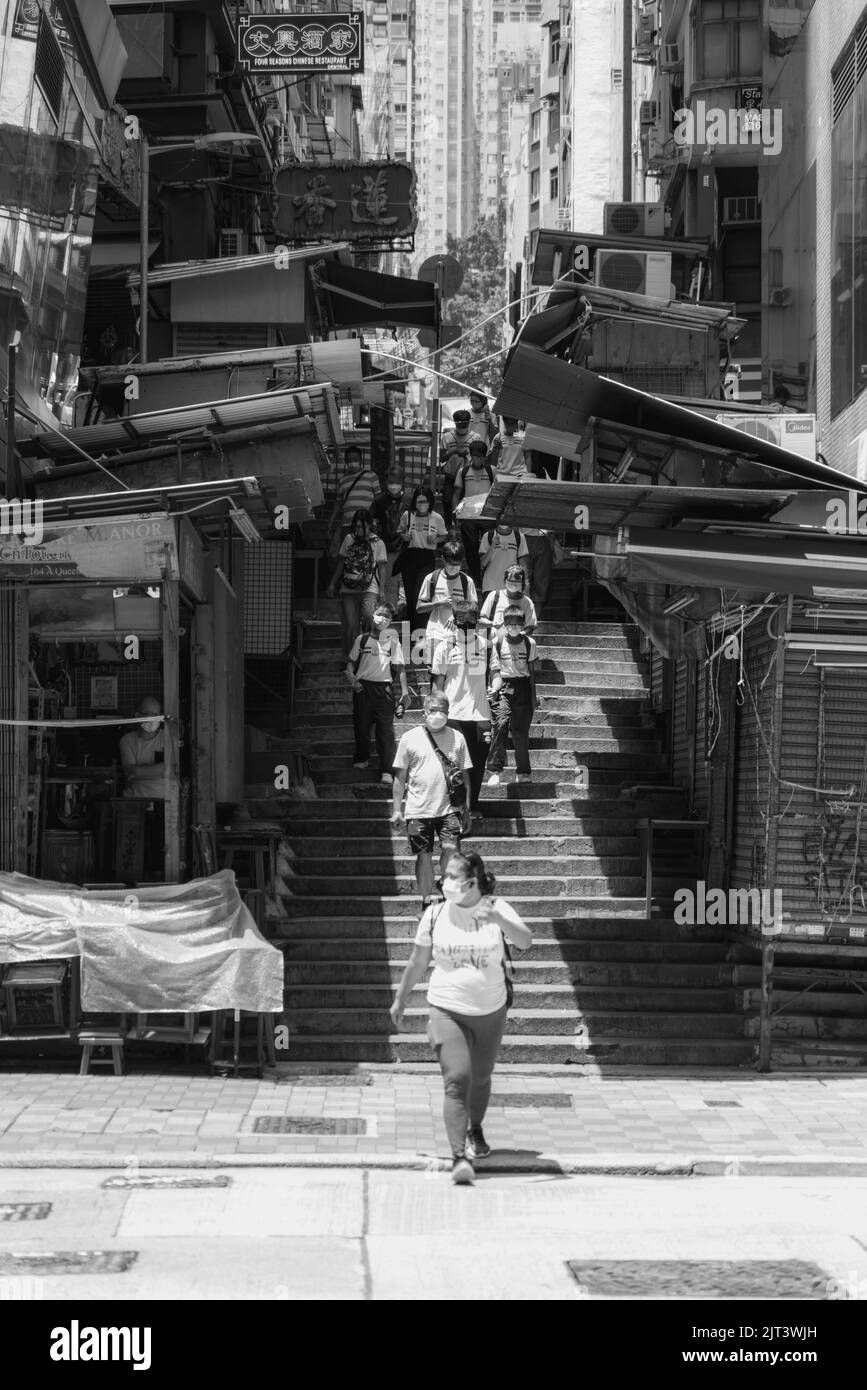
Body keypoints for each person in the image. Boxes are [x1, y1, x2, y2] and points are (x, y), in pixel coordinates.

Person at [389, 849, 532, 1184]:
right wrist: (400, 999)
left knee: (480, 1078)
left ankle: (476, 1129)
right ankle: (458, 1157)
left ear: (473, 880)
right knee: (458, 1079)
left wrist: (499, 921)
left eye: (452, 876)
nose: (445, 881)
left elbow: (525, 941)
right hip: (446, 1008)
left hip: (491, 1011)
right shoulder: (436, 915)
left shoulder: (498, 909)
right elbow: (417, 961)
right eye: (445, 875)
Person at [391, 692, 473, 909]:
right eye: (434, 710)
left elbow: (465, 777)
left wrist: (467, 809)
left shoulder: (458, 737)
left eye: (443, 711)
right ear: (423, 713)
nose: (439, 714)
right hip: (418, 809)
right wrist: (397, 810)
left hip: (450, 808)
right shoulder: (409, 738)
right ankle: (426, 900)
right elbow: (400, 778)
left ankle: (447, 891)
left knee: (451, 849)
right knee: (424, 856)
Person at [346, 600, 409, 786]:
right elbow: (350, 663)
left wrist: (405, 693)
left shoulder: (393, 642)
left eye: (387, 617)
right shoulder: (361, 639)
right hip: (363, 688)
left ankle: (387, 771)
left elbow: (401, 668)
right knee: (361, 726)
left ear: (391, 620)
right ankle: (362, 758)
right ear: (373, 614)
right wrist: (352, 679)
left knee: (385, 732)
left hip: (384, 690)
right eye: (380, 614)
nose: (382, 619)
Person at [431, 628, 491, 813]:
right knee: (453, 764)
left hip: (480, 714)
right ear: (455, 622)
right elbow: (438, 681)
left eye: (471, 621)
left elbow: (496, 674)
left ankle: (472, 805)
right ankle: (453, 806)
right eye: (462, 621)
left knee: (477, 764)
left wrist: (495, 688)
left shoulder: (486, 645)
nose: (466, 626)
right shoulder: (445, 646)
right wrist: (436, 709)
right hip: (453, 713)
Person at [486, 605, 538, 787]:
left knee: (520, 732)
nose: (513, 627)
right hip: (504, 687)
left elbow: (531, 672)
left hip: (523, 687)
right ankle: (495, 770)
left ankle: (523, 771)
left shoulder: (529, 643)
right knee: (500, 725)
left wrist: (533, 697)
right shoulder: (498, 641)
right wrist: (494, 687)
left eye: (517, 624)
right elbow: (494, 669)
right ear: (504, 624)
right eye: (509, 623)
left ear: (523, 624)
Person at [326, 508, 388, 660]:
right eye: (357, 527)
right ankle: (350, 660)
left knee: (369, 617)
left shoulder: (378, 542)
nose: (359, 530)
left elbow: (382, 568)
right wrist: (333, 584)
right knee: (350, 627)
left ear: (369, 525)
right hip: (348, 589)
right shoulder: (348, 539)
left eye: (363, 527)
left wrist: (381, 591)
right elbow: (341, 563)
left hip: (370, 588)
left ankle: (367, 656)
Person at [119, 695, 168, 877]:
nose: (153, 718)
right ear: (138, 716)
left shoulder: (168, 738)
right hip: (133, 804)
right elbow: (130, 772)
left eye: (156, 714)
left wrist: (142, 770)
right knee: (133, 852)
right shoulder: (127, 741)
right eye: (148, 714)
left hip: (164, 802)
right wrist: (159, 769)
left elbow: (171, 770)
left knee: (158, 853)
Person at [394, 484, 448, 638]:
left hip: (427, 557)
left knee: (420, 594)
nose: (422, 504)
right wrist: (404, 536)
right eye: (419, 502)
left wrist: (436, 538)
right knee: (410, 596)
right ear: (414, 502)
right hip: (410, 556)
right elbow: (399, 531)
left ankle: (423, 634)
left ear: (430, 501)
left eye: (425, 501)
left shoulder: (436, 518)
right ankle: (412, 635)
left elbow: (444, 536)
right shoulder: (408, 515)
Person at [416, 539, 479, 669]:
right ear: (443, 560)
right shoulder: (431, 578)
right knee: (434, 670)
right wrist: (439, 603)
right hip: (435, 632)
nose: (454, 568)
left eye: (457, 565)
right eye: (451, 565)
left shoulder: (467, 581)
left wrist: (458, 615)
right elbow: (419, 608)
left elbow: (474, 609)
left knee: (455, 671)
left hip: (458, 634)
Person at [452, 437, 495, 585]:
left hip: (488, 516)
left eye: (480, 457)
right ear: (470, 456)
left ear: (484, 457)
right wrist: (455, 514)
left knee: (489, 547)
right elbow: (457, 493)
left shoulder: (492, 471)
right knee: (471, 548)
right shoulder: (463, 472)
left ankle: (488, 575)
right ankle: (475, 578)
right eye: (475, 456)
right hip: (468, 516)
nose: (477, 460)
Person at [370, 468, 407, 612]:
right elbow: (371, 520)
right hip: (387, 547)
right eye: (391, 482)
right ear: (386, 483)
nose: (394, 485)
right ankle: (389, 615)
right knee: (389, 584)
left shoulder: (409, 500)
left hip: (407, 547)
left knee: (405, 584)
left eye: (397, 482)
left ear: (402, 483)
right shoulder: (379, 500)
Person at [328, 445, 381, 546]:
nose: (352, 463)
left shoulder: (371, 476)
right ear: (346, 462)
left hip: (367, 524)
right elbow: (338, 502)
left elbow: (378, 499)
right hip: (348, 525)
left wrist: (375, 518)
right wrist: (331, 522)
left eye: (355, 459)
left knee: (369, 552)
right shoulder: (342, 480)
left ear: (361, 460)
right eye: (349, 460)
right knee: (348, 554)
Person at [439, 410, 482, 526]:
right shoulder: (447, 437)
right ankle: (449, 526)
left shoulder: (476, 437)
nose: (461, 428)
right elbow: (441, 458)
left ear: (468, 424)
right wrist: (454, 451)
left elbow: (479, 458)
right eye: (459, 425)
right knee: (447, 501)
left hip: (467, 475)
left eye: (463, 425)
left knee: (465, 502)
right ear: (455, 423)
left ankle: (463, 526)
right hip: (450, 475)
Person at [478, 564, 537, 636]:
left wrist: (518, 635)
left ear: (522, 582)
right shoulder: (494, 596)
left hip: (517, 645)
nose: (513, 584)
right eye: (510, 581)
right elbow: (482, 620)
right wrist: (493, 624)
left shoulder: (527, 602)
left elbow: (530, 627)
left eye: (517, 581)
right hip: (494, 643)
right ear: (505, 580)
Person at [479, 521, 529, 593]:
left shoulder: (519, 537)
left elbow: (523, 564)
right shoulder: (488, 535)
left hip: (512, 587)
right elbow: (482, 564)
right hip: (490, 586)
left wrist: (525, 586)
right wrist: (493, 546)